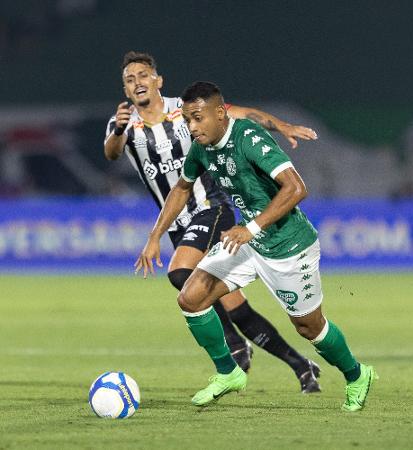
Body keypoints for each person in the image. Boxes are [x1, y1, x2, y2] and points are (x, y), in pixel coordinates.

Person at [135, 81, 377, 411]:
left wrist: (250, 227)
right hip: (247, 242)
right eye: (188, 120)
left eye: (197, 118)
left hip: (289, 246)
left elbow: (296, 188)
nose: (192, 127)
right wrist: (154, 236)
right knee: (191, 297)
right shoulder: (201, 148)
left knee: (309, 327)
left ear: (219, 114)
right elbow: (181, 188)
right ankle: (228, 372)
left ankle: (356, 374)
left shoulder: (247, 138)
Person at [105, 51, 321, 393]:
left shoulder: (189, 109)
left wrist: (282, 125)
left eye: (143, 75)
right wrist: (117, 129)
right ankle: (302, 366)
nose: (137, 83)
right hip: (179, 224)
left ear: (158, 80)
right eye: (129, 80)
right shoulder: (124, 124)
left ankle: (234, 348)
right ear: (126, 89)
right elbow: (112, 152)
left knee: (179, 273)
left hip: (211, 207)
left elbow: (241, 114)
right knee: (234, 307)